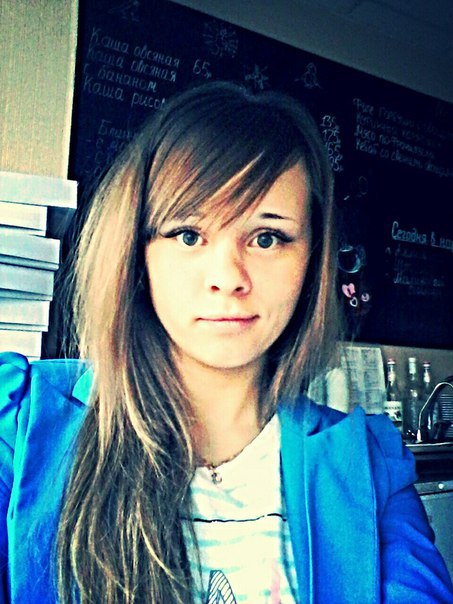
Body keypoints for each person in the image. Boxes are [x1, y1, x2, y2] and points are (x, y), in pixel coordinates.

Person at [0, 81, 452, 604]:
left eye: (267, 238)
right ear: (138, 253)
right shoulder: (20, 423)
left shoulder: (370, 466)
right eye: (189, 235)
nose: (228, 277)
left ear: (312, 261)